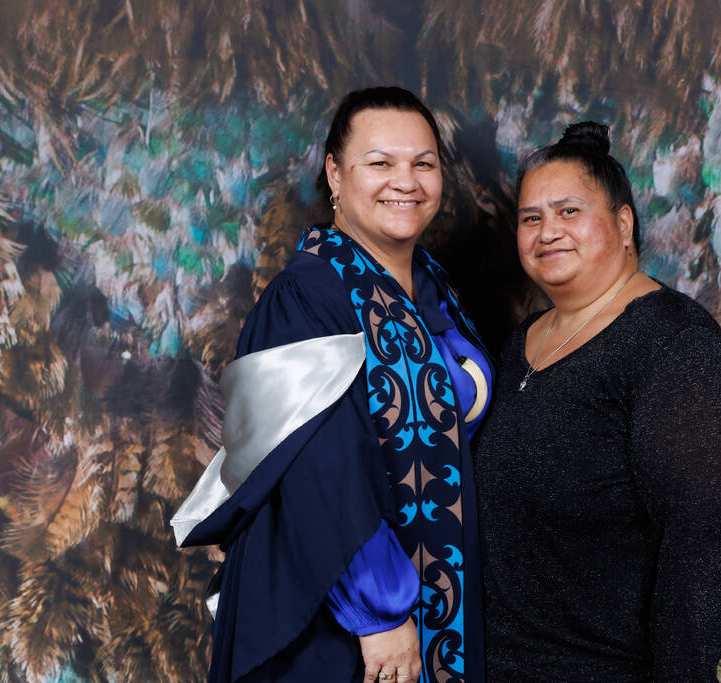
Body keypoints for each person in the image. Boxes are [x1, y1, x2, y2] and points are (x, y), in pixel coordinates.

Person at [171, 87, 492, 683]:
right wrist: (379, 615)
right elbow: (320, 466)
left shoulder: (432, 287)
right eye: (381, 163)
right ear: (335, 175)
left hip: (436, 600)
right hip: (338, 620)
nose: (407, 180)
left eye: (423, 163)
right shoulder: (307, 296)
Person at [473, 122, 721, 681]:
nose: (547, 232)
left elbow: (709, 531)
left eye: (569, 212)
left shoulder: (670, 341)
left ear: (623, 224)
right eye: (531, 218)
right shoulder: (520, 344)